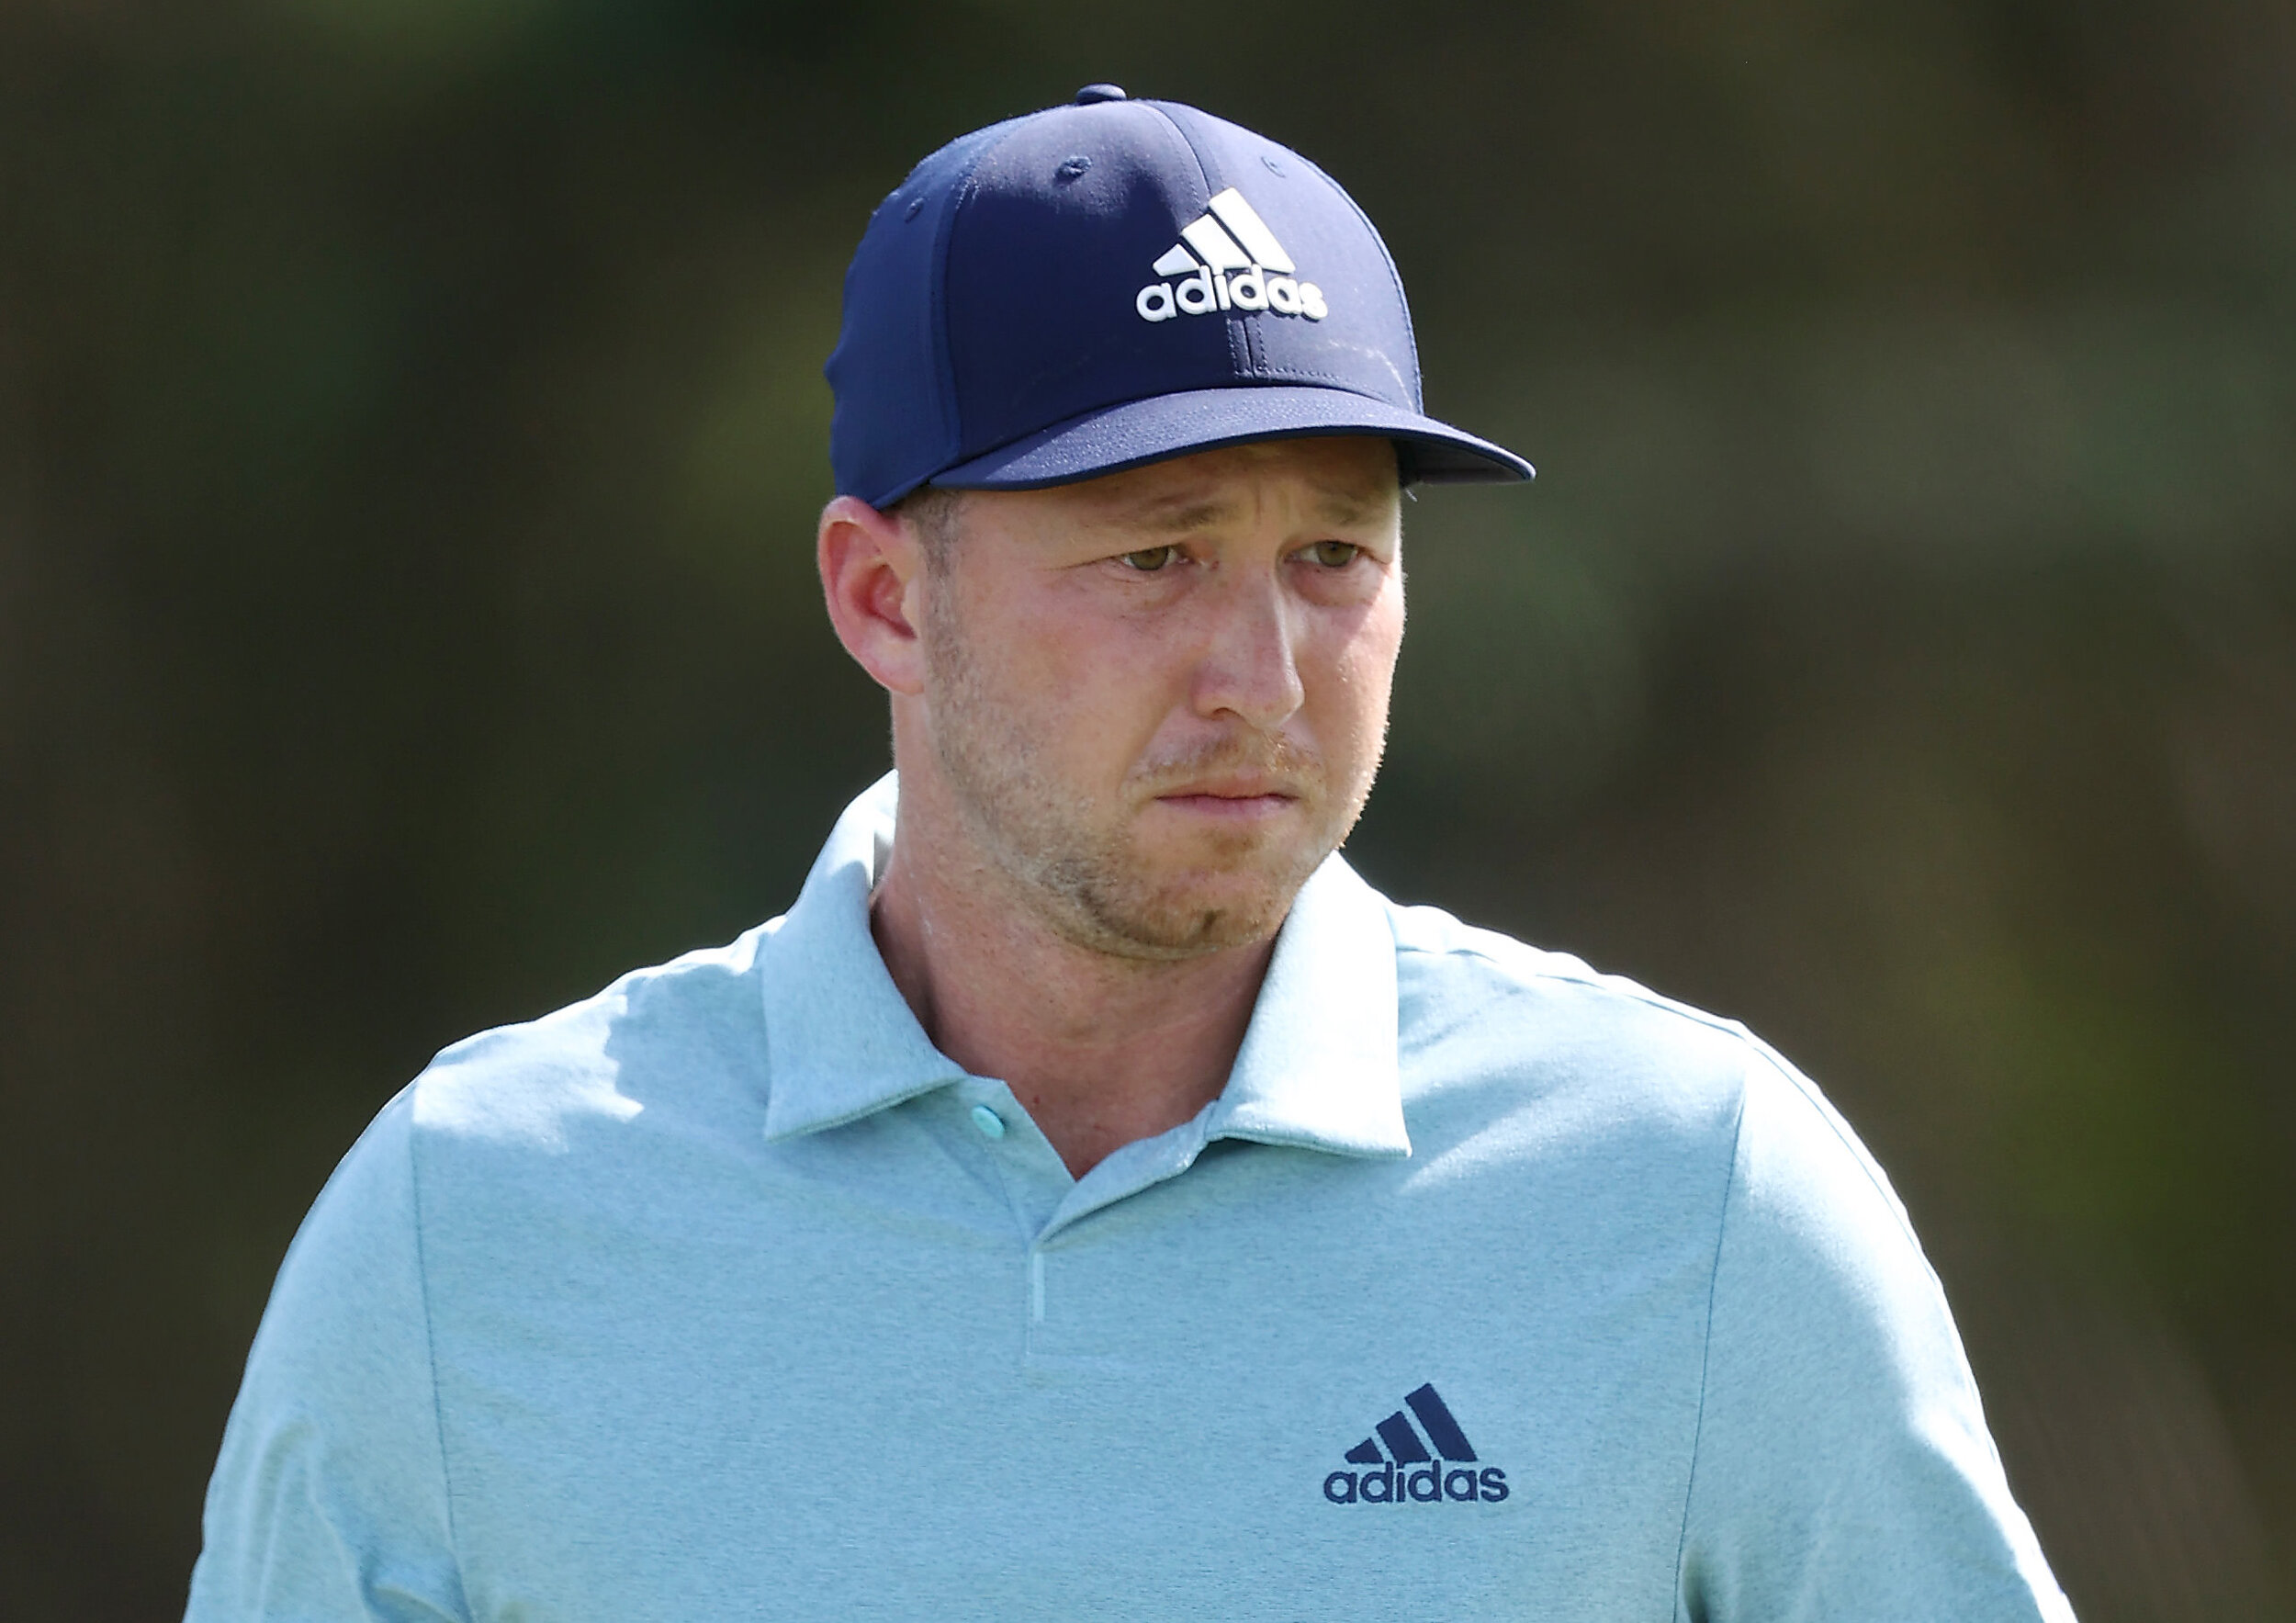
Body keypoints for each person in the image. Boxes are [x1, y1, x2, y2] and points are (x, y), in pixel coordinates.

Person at [186, 87, 2076, 1621]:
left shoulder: (1690, 1190)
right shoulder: (474, 1220)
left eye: (1330, 555)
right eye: (1155, 551)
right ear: (878, 595)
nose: (1259, 673)